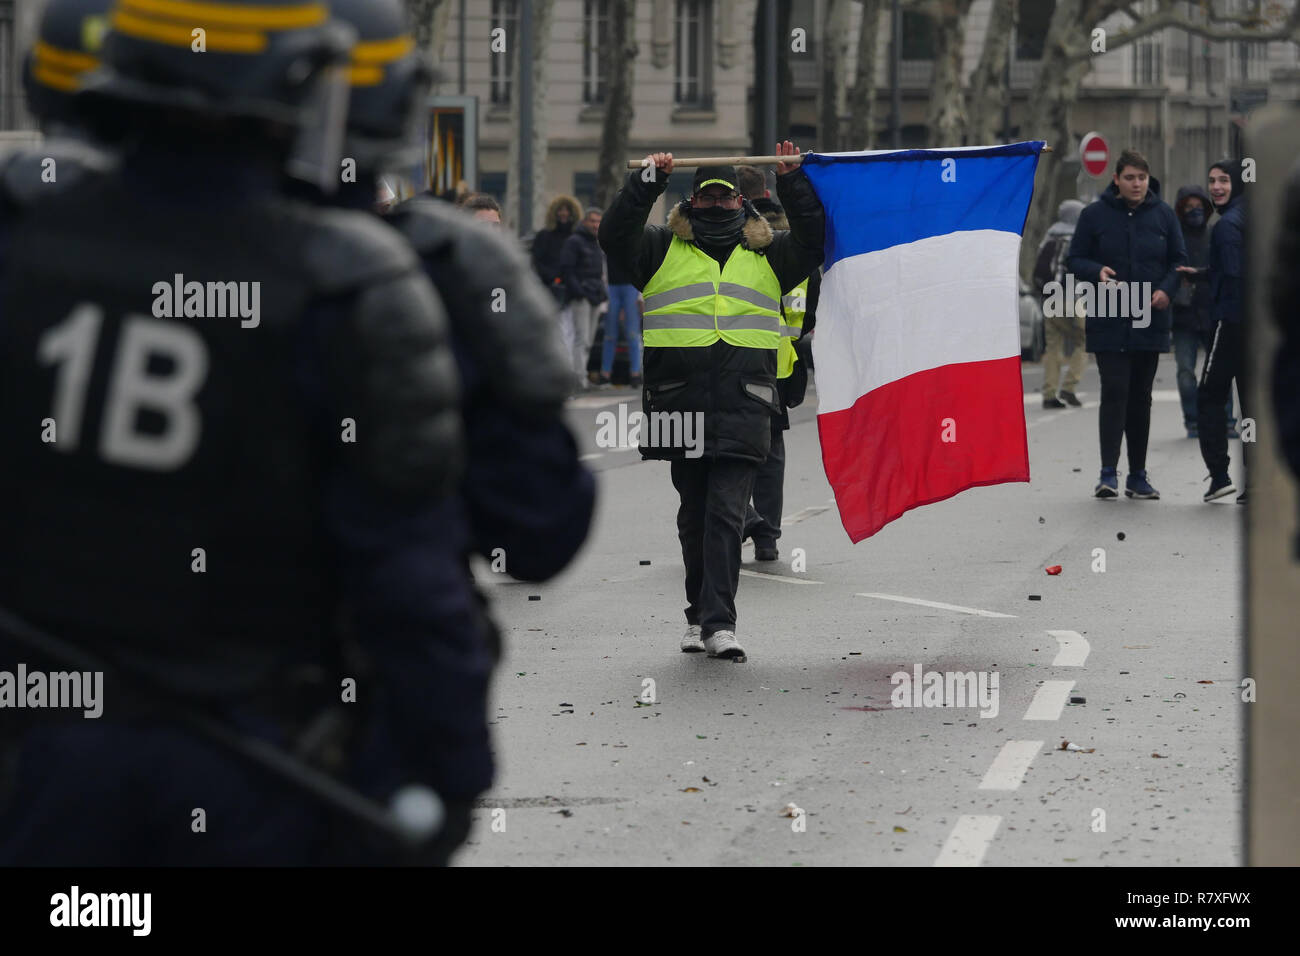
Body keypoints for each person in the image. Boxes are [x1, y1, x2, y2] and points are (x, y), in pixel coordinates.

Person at [0, 0, 467, 866]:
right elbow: (410, 583)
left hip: (34, 761)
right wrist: (443, 775)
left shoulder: (20, 241)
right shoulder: (346, 283)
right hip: (252, 769)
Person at [599, 145, 825, 660]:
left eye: (727, 200)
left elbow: (815, 240)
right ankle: (697, 614)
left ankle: (720, 623)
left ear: (743, 204)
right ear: (691, 203)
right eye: (708, 198)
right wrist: (648, 181)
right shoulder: (658, 248)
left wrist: (793, 182)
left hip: (746, 403)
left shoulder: (771, 253)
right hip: (677, 404)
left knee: (725, 512)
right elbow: (613, 235)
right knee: (694, 514)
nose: (718, 206)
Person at [1068, 148, 1186, 500]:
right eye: (1130, 178)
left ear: (1148, 180)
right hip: (1108, 318)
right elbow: (1075, 258)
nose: (1136, 184)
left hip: (1150, 318)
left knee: (1140, 398)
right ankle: (1108, 473)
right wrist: (1095, 271)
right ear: (1116, 179)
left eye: (1142, 178)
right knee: (1115, 391)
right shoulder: (1094, 216)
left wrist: (1166, 290)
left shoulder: (1164, 215)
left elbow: (1178, 261)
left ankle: (1138, 475)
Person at [735, 164, 820, 561]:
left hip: (733, 360)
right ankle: (765, 536)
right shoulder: (791, 243)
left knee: (722, 452)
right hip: (781, 367)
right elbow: (810, 315)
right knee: (769, 456)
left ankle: (741, 520)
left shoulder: (733, 241)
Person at [1199, 159, 1250, 503]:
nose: (1216, 187)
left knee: (1210, 396)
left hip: (1232, 322)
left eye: (1224, 181)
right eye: (1212, 180)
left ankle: (1219, 475)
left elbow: (1236, 275)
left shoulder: (1227, 226)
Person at [1171, 184, 1235, 439]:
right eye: (1188, 207)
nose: (1194, 211)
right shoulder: (1173, 237)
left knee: (1220, 371)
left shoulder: (1217, 233)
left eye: (1198, 206)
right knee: (1186, 373)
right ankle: (1192, 420)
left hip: (1214, 313)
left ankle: (1227, 420)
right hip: (1183, 316)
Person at [1033, 199, 1087, 408]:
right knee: (1085, 341)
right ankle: (1069, 386)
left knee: (1053, 347)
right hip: (1072, 297)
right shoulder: (1078, 235)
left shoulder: (1050, 234)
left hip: (1049, 299)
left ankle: (1048, 394)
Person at [559, 207, 607, 391]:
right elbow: (567, 269)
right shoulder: (574, 241)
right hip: (582, 295)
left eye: (598, 221)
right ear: (585, 222)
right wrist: (579, 291)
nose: (595, 225)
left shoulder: (596, 242)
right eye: (592, 221)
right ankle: (579, 379)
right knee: (581, 338)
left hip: (595, 294)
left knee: (588, 339)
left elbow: (599, 271)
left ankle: (582, 377)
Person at [533, 194, 582, 307]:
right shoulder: (544, 235)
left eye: (567, 210)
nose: (564, 213)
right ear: (554, 213)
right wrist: (553, 278)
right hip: (548, 288)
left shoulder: (577, 236)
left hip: (574, 289)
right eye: (560, 210)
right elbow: (537, 261)